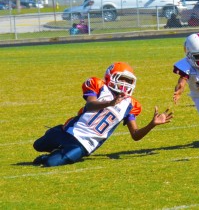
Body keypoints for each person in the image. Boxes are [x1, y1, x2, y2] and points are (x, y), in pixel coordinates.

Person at [33, 62, 173, 167]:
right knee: (38, 145)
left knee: (50, 163)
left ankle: (55, 154)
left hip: (84, 145)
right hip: (68, 131)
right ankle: (58, 143)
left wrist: (152, 124)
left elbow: (135, 135)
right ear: (110, 77)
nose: (125, 84)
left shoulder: (131, 105)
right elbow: (90, 105)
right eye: (122, 79)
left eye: (129, 81)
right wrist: (110, 103)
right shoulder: (99, 86)